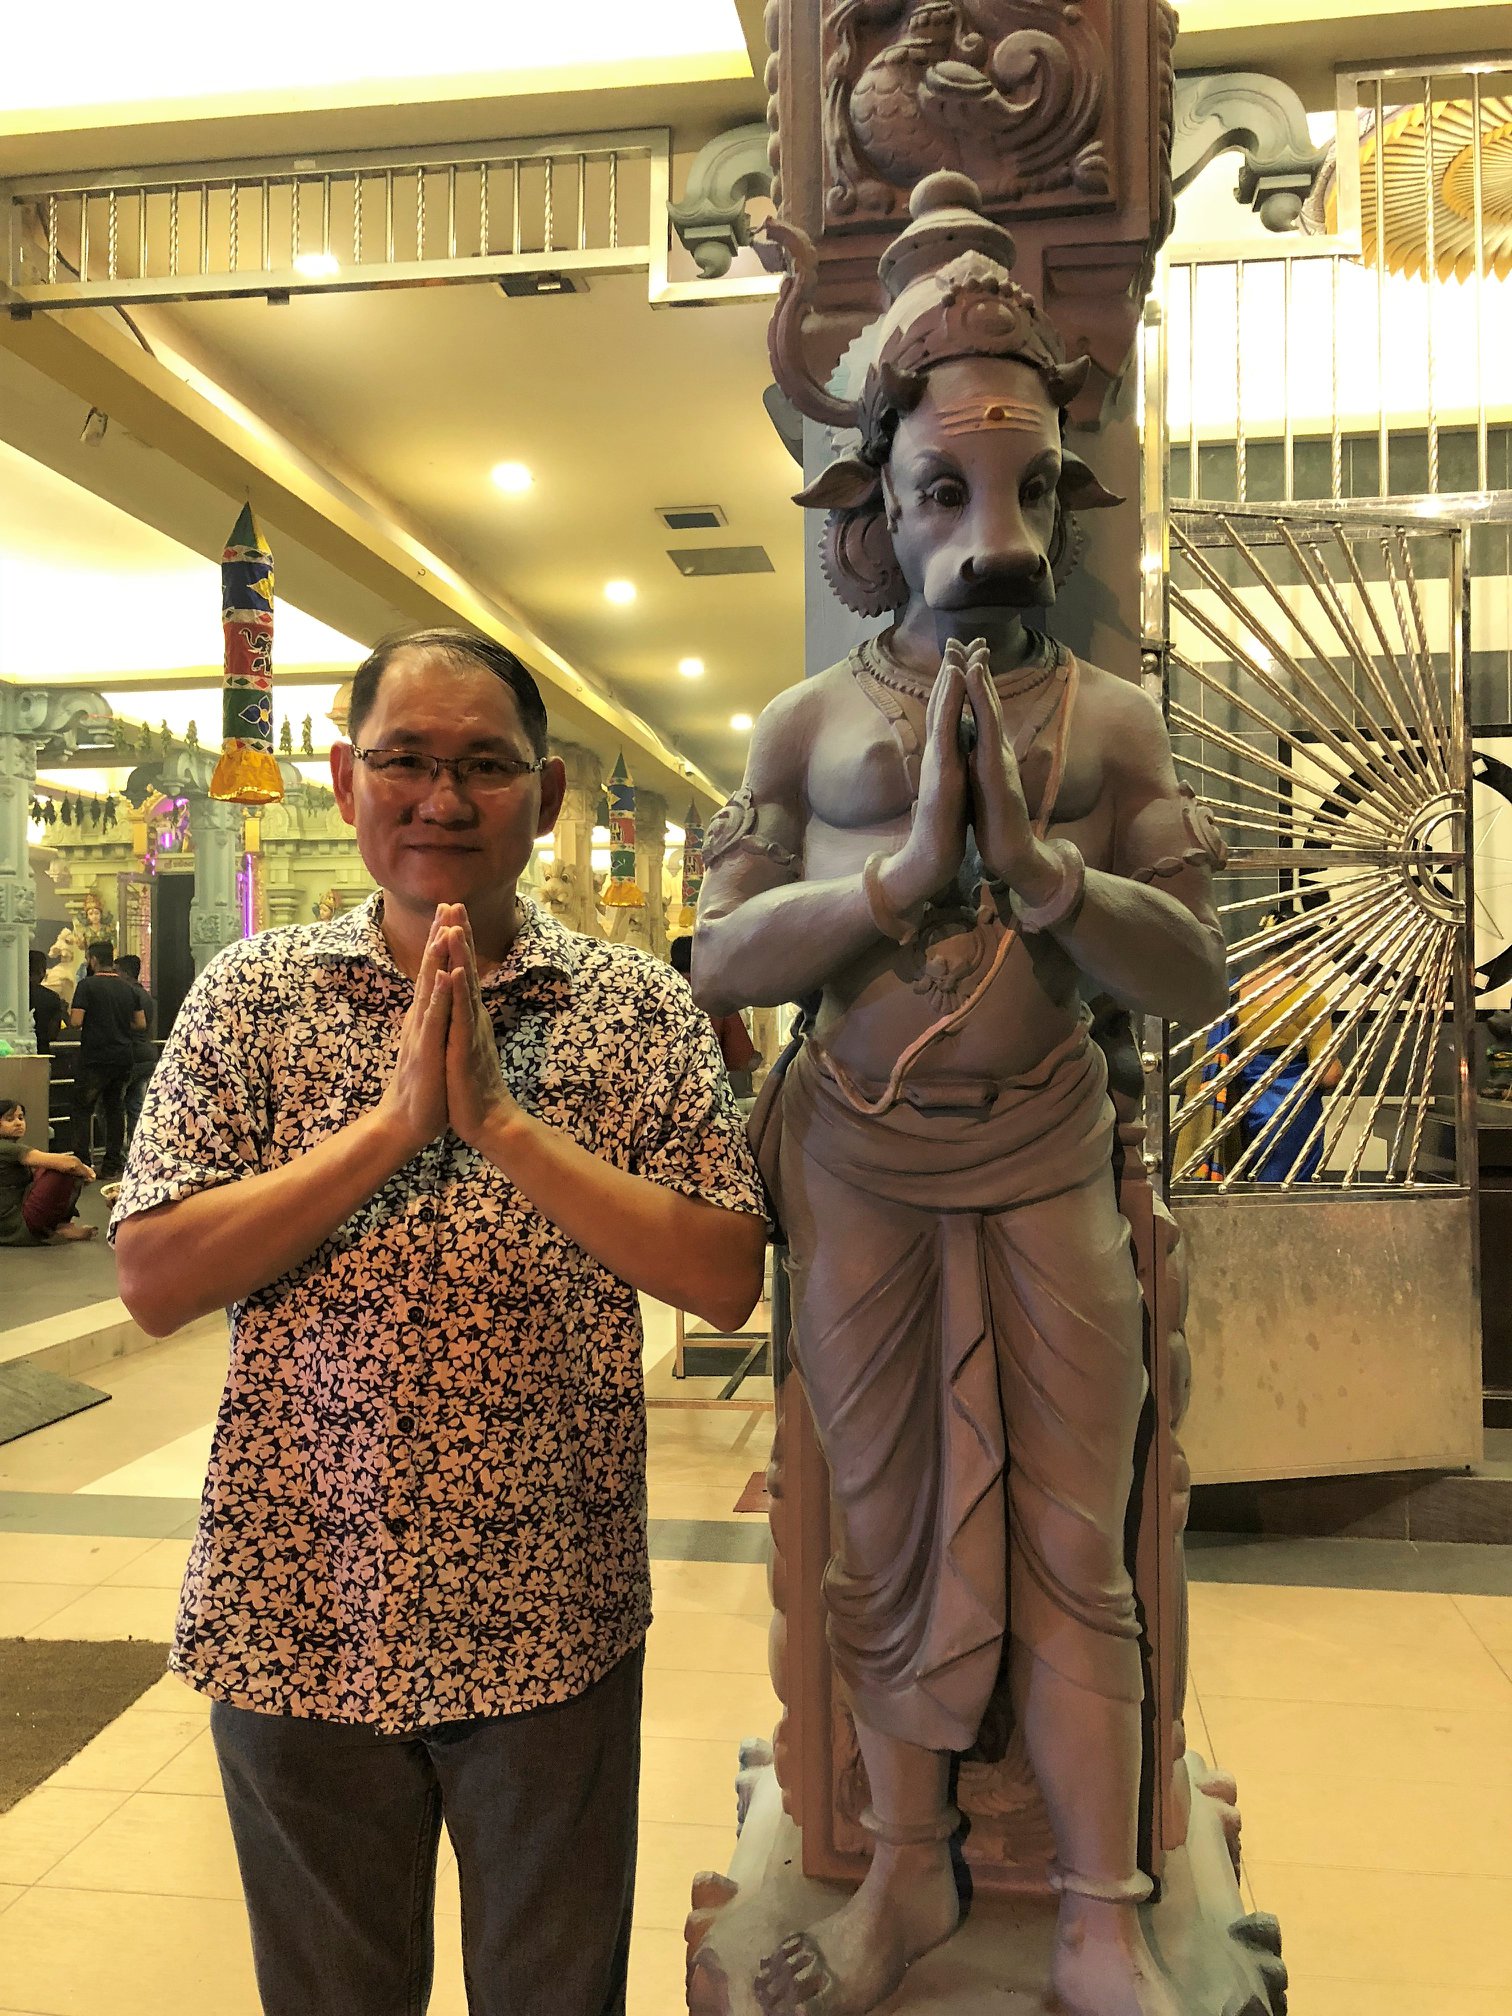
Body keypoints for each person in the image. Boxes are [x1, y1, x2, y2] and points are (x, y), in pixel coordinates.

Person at [110, 627, 768, 2016]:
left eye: (486, 765)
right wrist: (396, 1128)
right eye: (405, 760)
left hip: (550, 1614)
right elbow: (155, 1276)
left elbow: (723, 1274)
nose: (443, 799)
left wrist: (504, 1126)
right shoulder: (252, 998)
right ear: (345, 781)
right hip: (296, 1606)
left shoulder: (636, 1010)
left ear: (549, 793)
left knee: (551, 1992)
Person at [68, 940, 144, 1181]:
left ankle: (82, 1164)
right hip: (123, 1058)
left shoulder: (86, 985)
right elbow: (140, 1023)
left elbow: (76, 1021)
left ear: (93, 959)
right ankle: (112, 1164)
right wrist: (118, 1025)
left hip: (95, 1058)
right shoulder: (128, 988)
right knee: (115, 1109)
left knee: (82, 1109)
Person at [669, 934, 762, 1097]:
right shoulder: (713, 996)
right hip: (703, 1093)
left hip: (654, 1094)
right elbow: (740, 1057)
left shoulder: (657, 993)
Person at [0, 1100, 97, 1245]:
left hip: (9, 1218)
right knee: (60, 1170)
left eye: (20, 1118)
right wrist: (86, 1172)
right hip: (14, 1224)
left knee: (46, 1169)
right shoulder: (6, 1148)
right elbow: (70, 1164)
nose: (18, 1123)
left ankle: (58, 1225)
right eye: (10, 1119)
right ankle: (57, 1226)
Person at [114, 953, 158, 1146]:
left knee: (113, 1106)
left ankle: (118, 1149)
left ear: (124, 973)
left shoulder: (127, 993)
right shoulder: (146, 995)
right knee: (136, 1106)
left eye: (116, 971)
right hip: (147, 1054)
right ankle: (138, 1147)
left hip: (129, 1055)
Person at [29, 948, 66, 1055]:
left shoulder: (10, 996)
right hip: (42, 1052)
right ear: (42, 971)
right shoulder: (51, 997)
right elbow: (53, 1034)